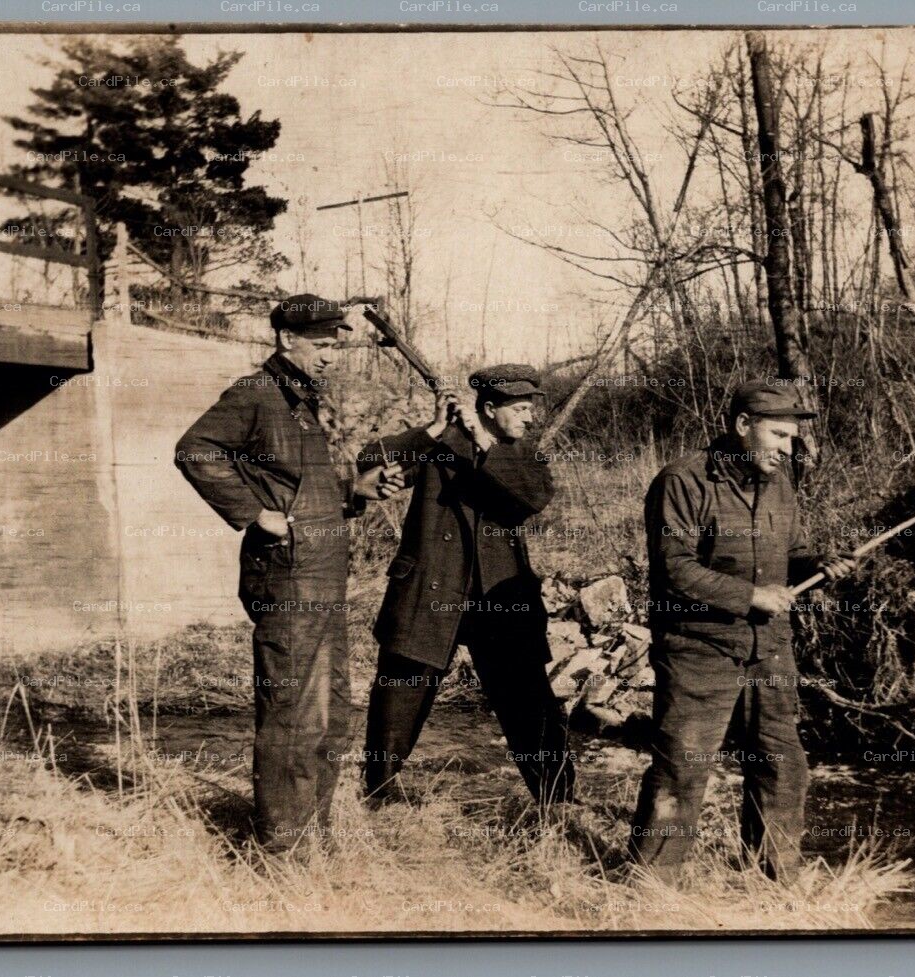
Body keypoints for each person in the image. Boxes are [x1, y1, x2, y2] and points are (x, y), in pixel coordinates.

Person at [174, 293, 404, 854]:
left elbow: (299, 490)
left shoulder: (300, 402)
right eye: (323, 346)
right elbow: (194, 450)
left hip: (321, 579)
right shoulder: (256, 393)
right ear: (287, 340)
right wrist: (254, 515)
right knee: (293, 717)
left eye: (336, 347)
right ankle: (283, 852)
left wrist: (356, 493)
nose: (331, 357)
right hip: (287, 579)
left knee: (329, 714)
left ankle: (311, 838)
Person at [628, 380, 855, 885]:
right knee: (683, 768)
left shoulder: (778, 482)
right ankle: (649, 889)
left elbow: (791, 555)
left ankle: (774, 883)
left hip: (768, 649)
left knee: (782, 765)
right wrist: (749, 596)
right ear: (742, 426)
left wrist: (819, 562)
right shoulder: (681, 482)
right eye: (779, 435)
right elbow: (674, 569)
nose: (787, 448)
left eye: (792, 438)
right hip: (697, 649)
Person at [355, 364, 576, 807]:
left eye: (531, 408)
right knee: (398, 697)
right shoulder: (438, 444)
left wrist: (484, 443)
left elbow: (531, 498)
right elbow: (368, 460)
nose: (530, 417)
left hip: (500, 601)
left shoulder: (521, 455)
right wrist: (434, 428)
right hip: (430, 592)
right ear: (490, 408)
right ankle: (378, 798)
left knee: (528, 701)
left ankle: (559, 804)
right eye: (520, 408)